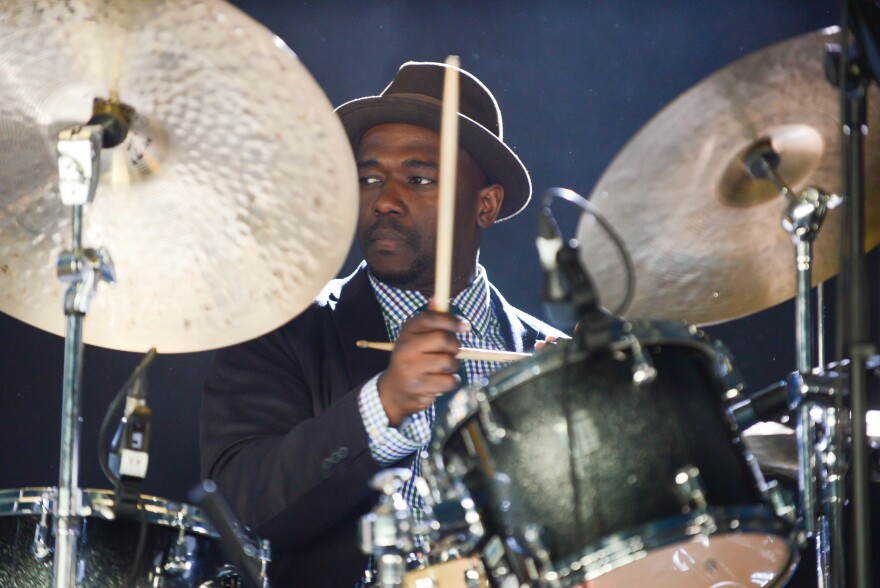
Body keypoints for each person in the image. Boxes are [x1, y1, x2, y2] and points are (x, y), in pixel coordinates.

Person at [200, 61, 565, 587]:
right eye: (369, 178)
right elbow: (237, 511)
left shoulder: (544, 358)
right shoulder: (283, 329)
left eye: (419, 179)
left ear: (486, 204)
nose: (385, 200)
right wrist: (384, 405)